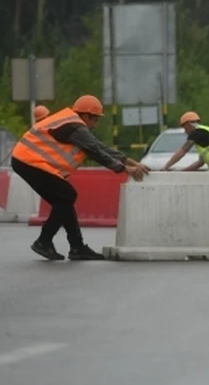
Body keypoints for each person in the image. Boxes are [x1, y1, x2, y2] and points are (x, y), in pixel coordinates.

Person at [10, 94, 151, 261]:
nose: (96, 125)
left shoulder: (71, 122)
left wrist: (131, 161)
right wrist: (124, 169)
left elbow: (99, 146)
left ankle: (77, 247)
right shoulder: (76, 126)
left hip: (25, 161)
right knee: (67, 195)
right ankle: (44, 241)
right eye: (95, 119)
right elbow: (96, 151)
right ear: (85, 115)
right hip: (29, 161)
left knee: (64, 200)